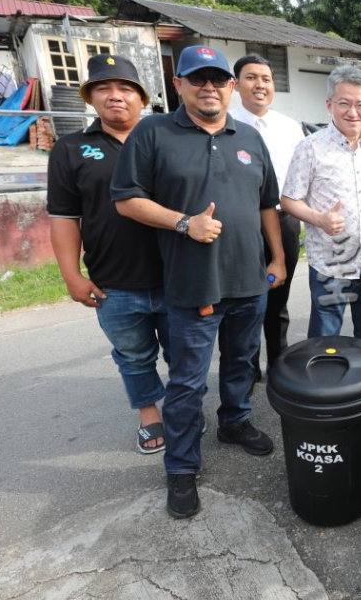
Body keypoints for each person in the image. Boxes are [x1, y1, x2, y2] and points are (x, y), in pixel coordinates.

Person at [111, 45, 287, 519]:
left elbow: (267, 203)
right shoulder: (153, 133)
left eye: (217, 79)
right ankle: (182, 466)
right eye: (197, 78)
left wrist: (279, 256)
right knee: (188, 382)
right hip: (193, 286)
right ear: (179, 85)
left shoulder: (247, 136)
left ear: (231, 86)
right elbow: (127, 200)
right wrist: (184, 222)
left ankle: (235, 422)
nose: (209, 87)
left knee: (241, 364)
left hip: (249, 281)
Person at [47, 54, 170, 455]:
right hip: (113, 281)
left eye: (125, 88)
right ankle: (150, 415)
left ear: (142, 97)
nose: (115, 96)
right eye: (103, 88)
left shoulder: (165, 139)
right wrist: (72, 275)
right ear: (91, 96)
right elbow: (65, 217)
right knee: (133, 356)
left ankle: (184, 409)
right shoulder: (71, 149)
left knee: (187, 354)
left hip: (177, 275)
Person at [280, 65, 361, 350]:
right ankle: (320, 392)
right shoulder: (309, 148)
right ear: (330, 104)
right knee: (324, 339)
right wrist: (319, 218)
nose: (353, 112)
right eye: (344, 103)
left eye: (360, 105)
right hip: (330, 265)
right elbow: (289, 199)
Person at [228, 54, 305, 385]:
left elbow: (304, 177)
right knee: (242, 301)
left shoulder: (290, 127)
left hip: (283, 219)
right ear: (235, 84)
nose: (260, 85)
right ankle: (245, 368)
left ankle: (279, 361)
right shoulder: (224, 122)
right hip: (240, 223)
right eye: (251, 77)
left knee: (278, 295)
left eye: (266, 78)